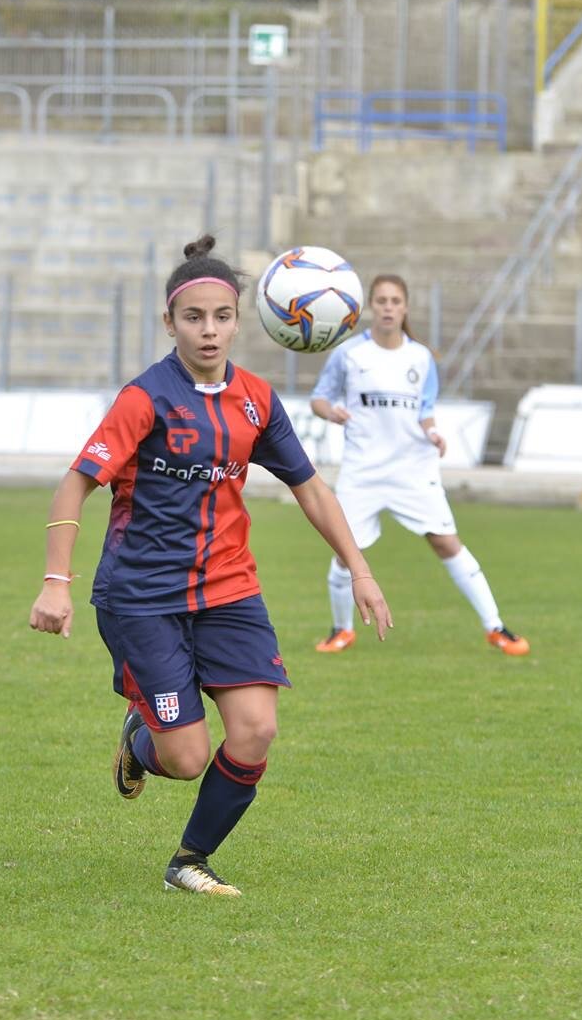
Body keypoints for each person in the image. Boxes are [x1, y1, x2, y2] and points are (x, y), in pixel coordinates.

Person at [29, 235, 393, 897]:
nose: (209, 330)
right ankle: (143, 737)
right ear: (170, 323)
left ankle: (189, 861)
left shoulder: (254, 400)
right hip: (142, 597)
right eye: (194, 317)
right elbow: (75, 483)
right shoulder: (146, 398)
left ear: (240, 320)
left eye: (222, 316)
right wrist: (56, 581)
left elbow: (309, 486)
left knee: (256, 729)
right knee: (187, 756)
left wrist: (359, 567)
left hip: (228, 589)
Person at [307, 273, 528, 657]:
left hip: (412, 467)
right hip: (363, 470)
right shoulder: (349, 354)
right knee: (345, 552)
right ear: (371, 307)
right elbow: (318, 399)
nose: (388, 307)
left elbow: (424, 411)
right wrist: (333, 413)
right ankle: (341, 630)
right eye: (381, 301)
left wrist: (433, 433)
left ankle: (496, 627)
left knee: (446, 542)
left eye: (395, 301)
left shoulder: (420, 357)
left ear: (405, 307)